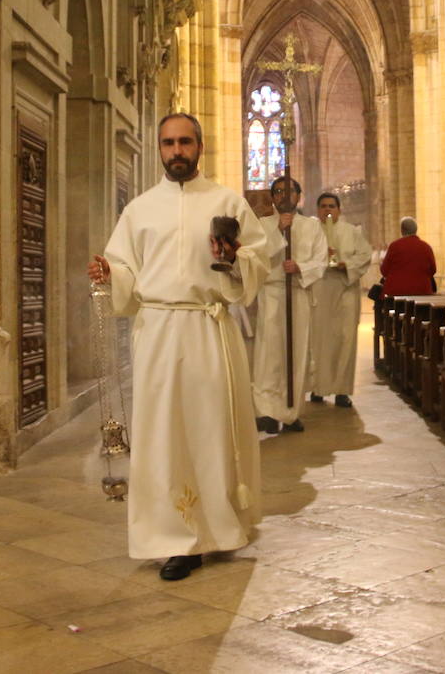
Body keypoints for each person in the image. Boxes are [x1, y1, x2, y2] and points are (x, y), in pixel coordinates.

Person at [87, 113, 268, 581]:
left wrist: (231, 260)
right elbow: (125, 266)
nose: (176, 151)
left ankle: (222, 526)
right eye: (168, 143)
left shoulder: (227, 201)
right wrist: (111, 276)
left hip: (211, 329)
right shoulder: (140, 210)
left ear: (199, 147)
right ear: (160, 149)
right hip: (159, 333)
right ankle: (176, 539)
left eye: (184, 142)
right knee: (164, 435)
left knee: (212, 430)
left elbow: (257, 261)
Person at [251, 176, 325, 434]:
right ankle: (267, 412)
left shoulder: (312, 227)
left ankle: (292, 412)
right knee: (269, 354)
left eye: (290, 191)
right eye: (278, 191)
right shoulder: (262, 224)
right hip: (272, 294)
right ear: (272, 198)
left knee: (296, 353)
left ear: (299, 196)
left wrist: (300, 267)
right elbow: (256, 257)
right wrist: (278, 232)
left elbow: (321, 261)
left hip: (298, 293)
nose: (284, 195)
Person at [309, 192, 372, 407]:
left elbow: (364, 255)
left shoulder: (352, 232)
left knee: (345, 339)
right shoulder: (311, 232)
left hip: (345, 289)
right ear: (317, 210)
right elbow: (301, 258)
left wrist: (347, 264)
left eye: (331, 206)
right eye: (323, 206)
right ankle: (318, 387)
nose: (327, 210)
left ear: (339, 210)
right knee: (320, 340)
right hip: (320, 289)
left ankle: (341, 390)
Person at [380, 216, 436, 295]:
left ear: (402, 230)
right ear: (416, 230)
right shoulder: (426, 247)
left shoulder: (395, 246)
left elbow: (384, 270)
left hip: (396, 292)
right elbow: (433, 270)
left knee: (390, 306)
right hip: (421, 292)